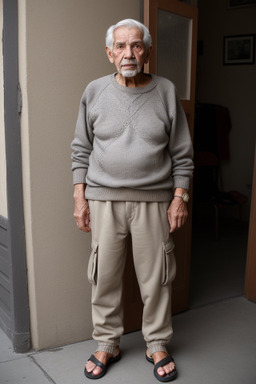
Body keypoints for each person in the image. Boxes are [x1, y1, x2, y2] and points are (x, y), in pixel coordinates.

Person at [71, 18, 193, 382]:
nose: (129, 53)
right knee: (104, 277)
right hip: (103, 201)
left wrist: (179, 198)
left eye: (136, 45)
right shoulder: (93, 91)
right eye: (121, 46)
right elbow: (80, 150)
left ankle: (157, 342)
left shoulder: (166, 91)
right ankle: (107, 342)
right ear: (109, 53)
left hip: (154, 201)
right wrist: (80, 198)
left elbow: (182, 155)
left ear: (148, 51)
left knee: (156, 280)